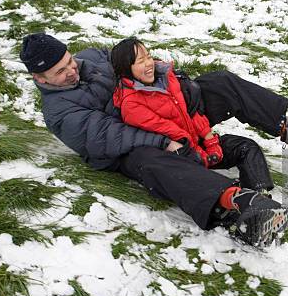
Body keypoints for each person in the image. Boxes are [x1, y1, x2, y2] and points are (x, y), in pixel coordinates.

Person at [19, 33, 288, 247]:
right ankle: (239, 209)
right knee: (152, 160)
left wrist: (177, 84)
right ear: (40, 79)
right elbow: (110, 136)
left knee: (217, 83)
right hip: (130, 147)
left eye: (70, 61)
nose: (72, 71)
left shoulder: (92, 58)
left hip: (155, 110)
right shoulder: (59, 113)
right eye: (61, 72)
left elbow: (133, 64)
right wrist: (164, 140)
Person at [111, 37, 275, 192]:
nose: (149, 63)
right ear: (127, 69)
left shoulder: (167, 78)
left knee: (247, 146)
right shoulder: (131, 104)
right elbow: (170, 132)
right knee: (216, 187)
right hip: (183, 155)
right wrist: (200, 154)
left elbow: (191, 111)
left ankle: (259, 194)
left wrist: (210, 140)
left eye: (148, 56)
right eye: (141, 61)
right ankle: (244, 204)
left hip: (198, 143)